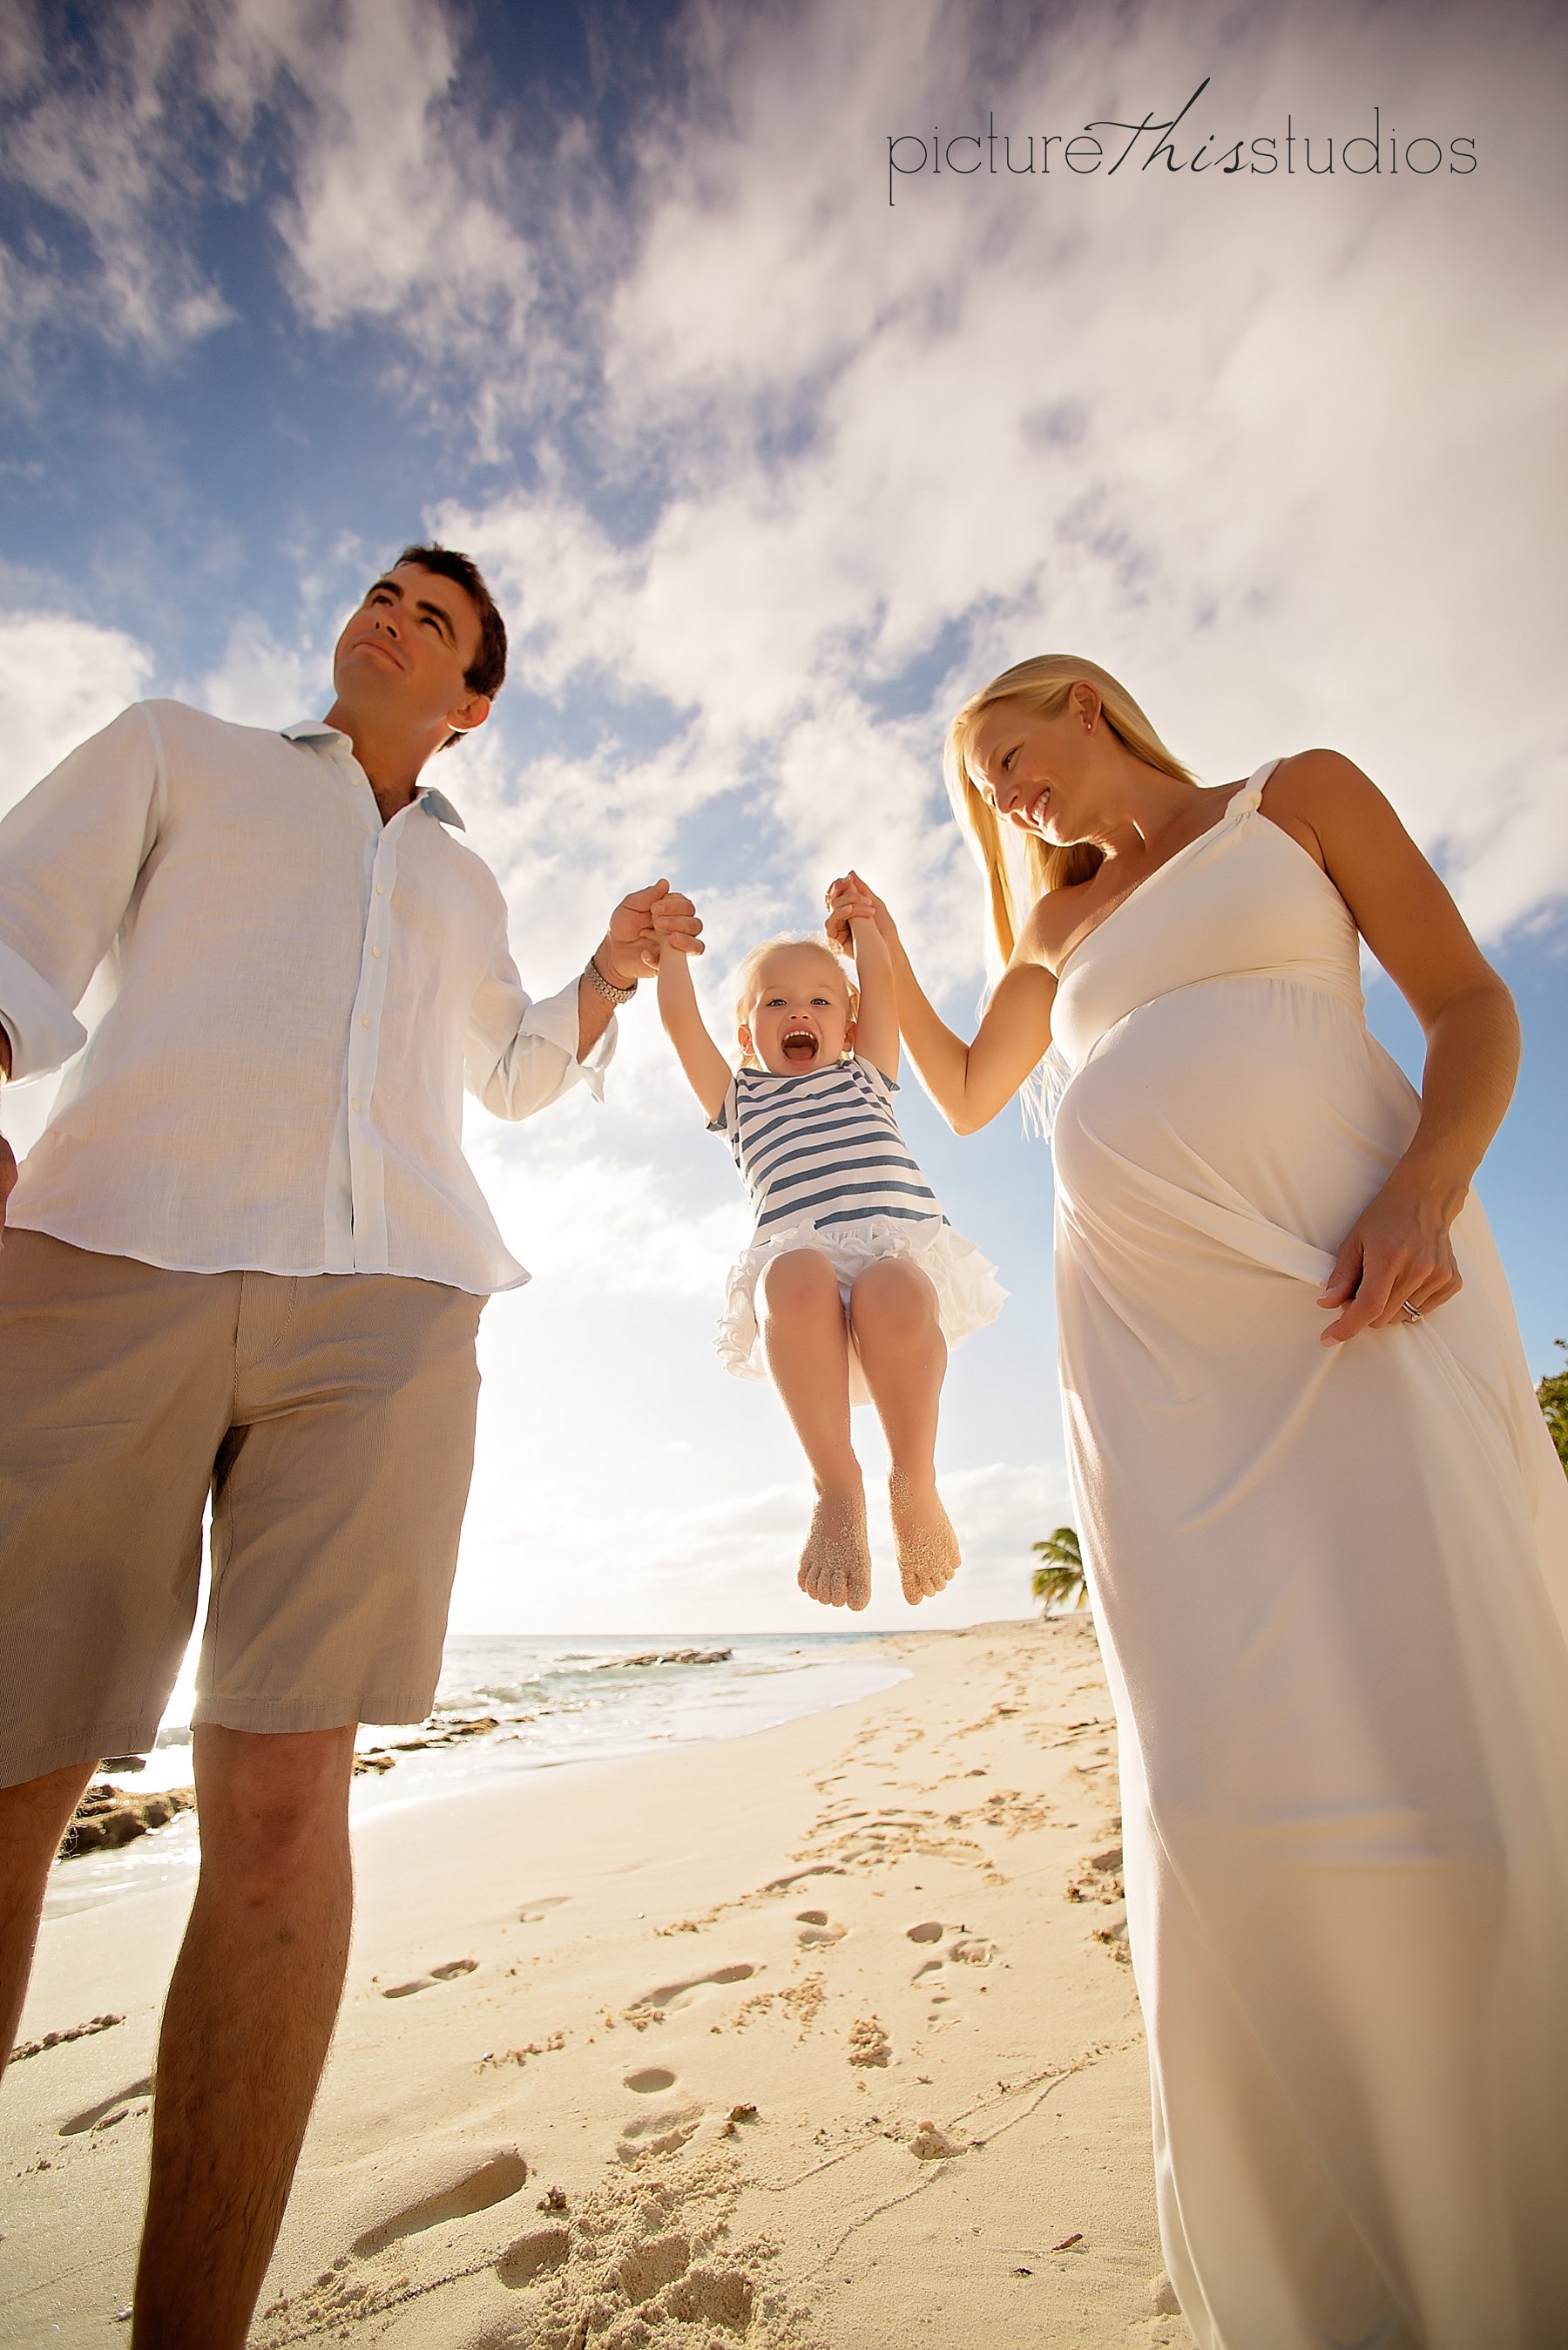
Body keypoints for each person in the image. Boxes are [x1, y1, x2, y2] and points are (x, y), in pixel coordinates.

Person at [825, 654, 1568, 2350]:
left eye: (1012, 757)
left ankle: (1509, 2207)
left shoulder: (1290, 797)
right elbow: (959, 1089)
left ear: (1089, 701)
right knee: (1225, 1788)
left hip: (1355, 1295)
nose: (1010, 803)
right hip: (1158, 1391)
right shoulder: (1051, 936)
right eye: (985, 794)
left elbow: (1475, 1004)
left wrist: (1427, 1189)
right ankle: (1328, 2259)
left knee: (1447, 1732)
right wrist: (878, 956)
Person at [0, 543, 695, 2349]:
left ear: (471, 701)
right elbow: (19, 918)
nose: (395, 612)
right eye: (387, 590)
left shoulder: (465, 883)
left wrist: (611, 975)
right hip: (107, 1261)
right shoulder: (180, 748)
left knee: (289, 1798)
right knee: (14, 1772)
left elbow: (519, 1071)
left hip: (386, 1311)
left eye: (438, 617)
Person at [652, 902, 1003, 1611]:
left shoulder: (866, 1074)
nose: (798, 1011)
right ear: (748, 1035)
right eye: (775, 1001)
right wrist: (669, 952)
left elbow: (879, 981)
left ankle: (914, 1481)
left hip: (892, 1293)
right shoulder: (740, 1101)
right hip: (808, 1320)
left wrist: (865, 926)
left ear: (848, 1024)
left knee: (895, 1286)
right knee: (794, 1270)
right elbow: (682, 1026)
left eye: (820, 999)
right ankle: (838, 1488)